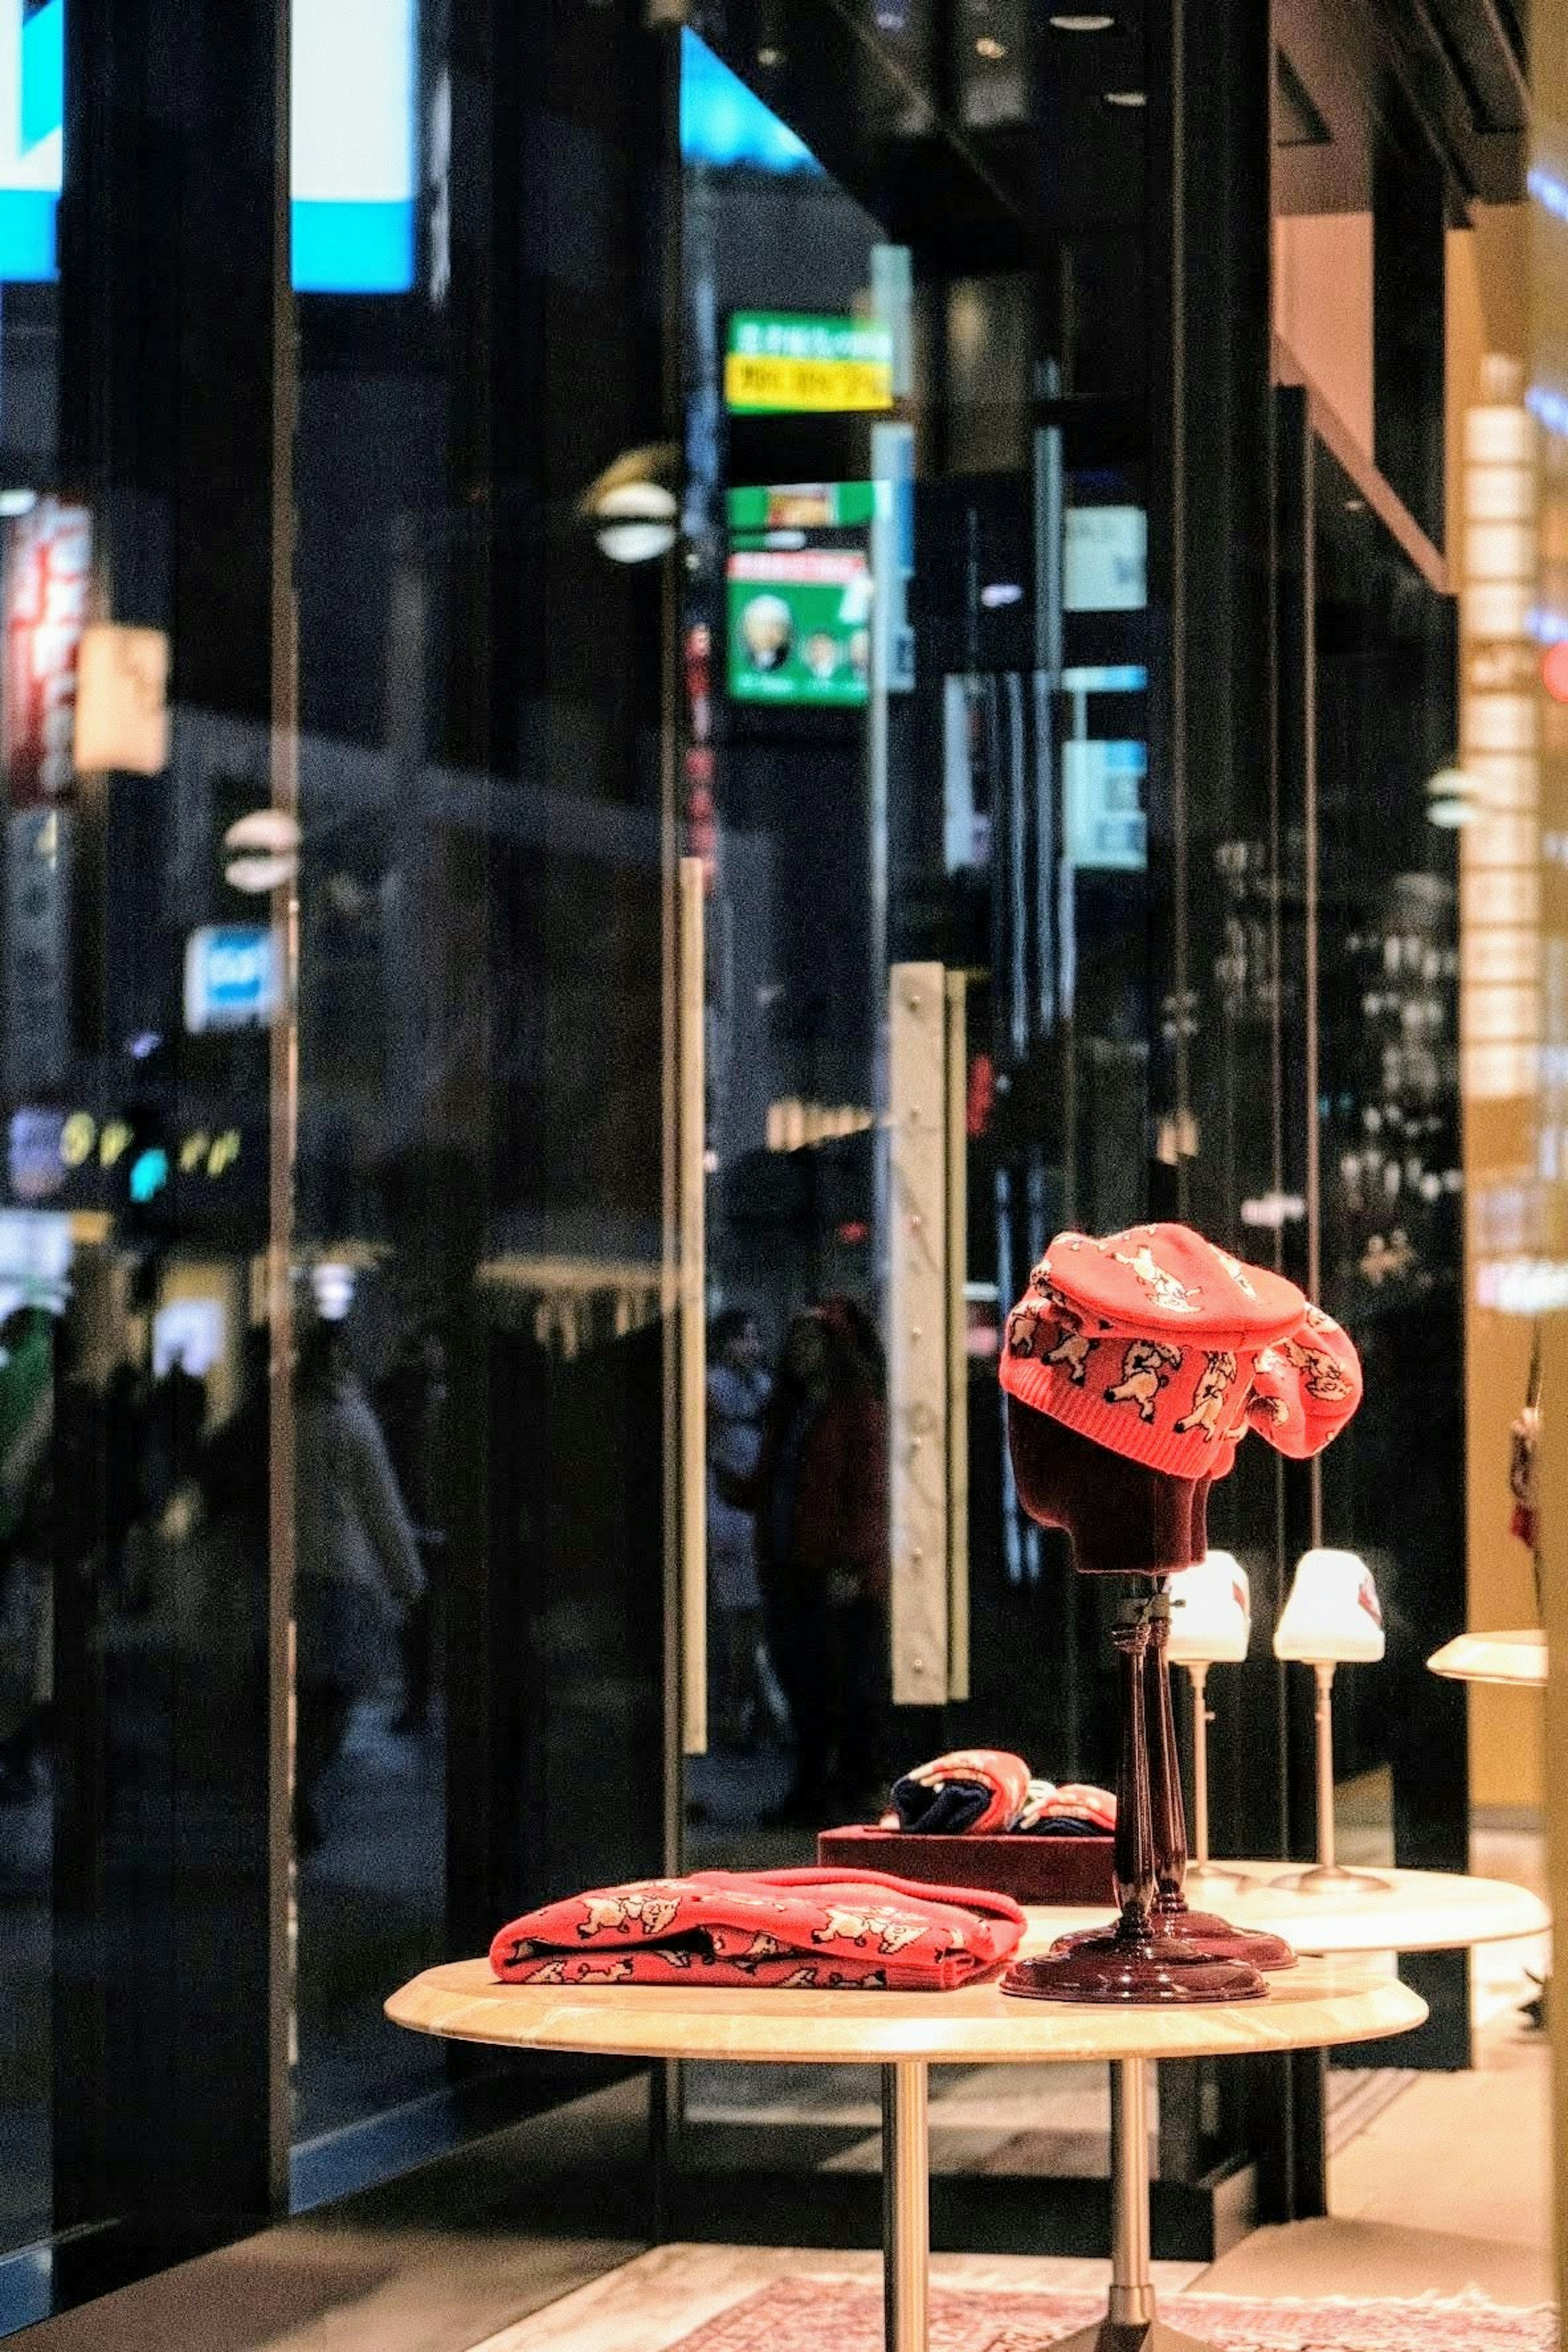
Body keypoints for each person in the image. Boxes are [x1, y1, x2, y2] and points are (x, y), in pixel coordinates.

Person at [733, 1300, 888, 1829]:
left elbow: (869, 1493)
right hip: (793, 1567)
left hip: (833, 1574)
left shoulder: (853, 1411)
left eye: (811, 1342)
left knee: (836, 1686)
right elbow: (773, 1484)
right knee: (804, 1684)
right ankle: (817, 1790)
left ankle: (837, 1791)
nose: (800, 1353)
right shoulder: (796, 1410)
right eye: (797, 1342)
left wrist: (854, 1563)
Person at [292, 1318, 425, 1855]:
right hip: (343, 1574)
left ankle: (293, 1785)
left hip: (294, 1570)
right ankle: (300, 1787)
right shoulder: (352, 1420)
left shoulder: (290, 1417)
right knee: (339, 1691)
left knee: (305, 1692)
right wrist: (408, 1579)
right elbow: (381, 1506)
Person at [706, 1309, 771, 1750]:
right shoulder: (713, 1388)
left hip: (753, 1510)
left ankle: (748, 1707)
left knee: (751, 1619)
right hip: (728, 1512)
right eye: (741, 1339)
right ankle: (738, 1708)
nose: (750, 1348)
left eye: (753, 1338)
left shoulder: (764, 1389)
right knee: (738, 1621)